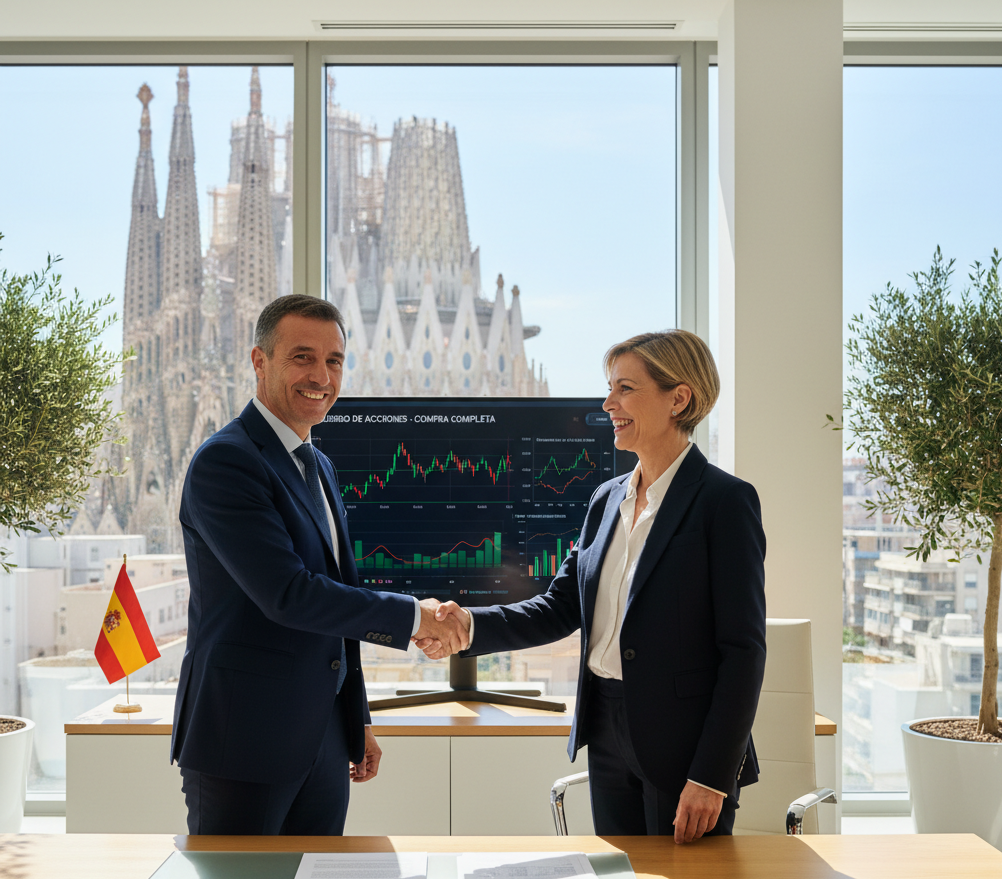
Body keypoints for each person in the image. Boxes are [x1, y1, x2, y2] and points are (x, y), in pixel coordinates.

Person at [425, 330, 766, 842]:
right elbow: (559, 607)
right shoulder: (606, 500)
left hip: (684, 744)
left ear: (679, 398)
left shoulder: (725, 502)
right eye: (610, 389)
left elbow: (743, 653)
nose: (608, 404)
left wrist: (712, 776)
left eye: (625, 389)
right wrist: (469, 626)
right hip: (605, 729)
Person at [171, 294, 467, 835]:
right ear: (260, 362)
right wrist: (415, 618)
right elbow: (289, 594)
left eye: (334, 361)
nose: (321, 376)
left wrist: (357, 721)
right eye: (302, 357)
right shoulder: (227, 462)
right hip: (245, 743)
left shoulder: (318, 464)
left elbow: (337, 597)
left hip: (325, 741)